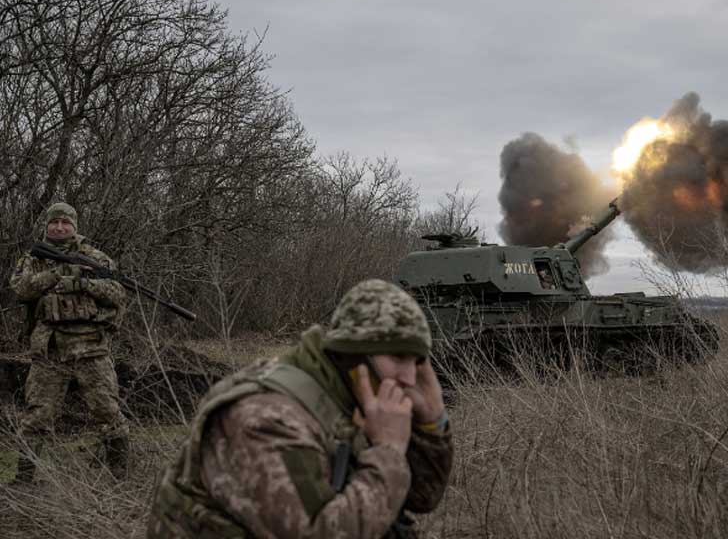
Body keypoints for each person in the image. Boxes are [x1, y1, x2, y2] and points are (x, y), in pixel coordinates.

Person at [147, 279, 453, 539]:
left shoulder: (355, 396)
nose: (410, 378)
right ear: (354, 355)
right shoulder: (265, 418)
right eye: (398, 358)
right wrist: (387, 451)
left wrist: (431, 421)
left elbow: (420, 497)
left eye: (416, 362)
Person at [9, 202, 129, 482]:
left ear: (75, 226)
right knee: (37, 416)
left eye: (66, 223)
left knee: (107, 411)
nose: (60, 227)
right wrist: (56, 274)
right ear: (47, 225)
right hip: (49, 350)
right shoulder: (33, 258)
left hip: (91, 347)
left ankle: (119, 476)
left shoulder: (94, 257)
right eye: (55, 222)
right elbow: (20, 290)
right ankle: (23, 480)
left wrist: (83, 283)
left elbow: (118, 294)